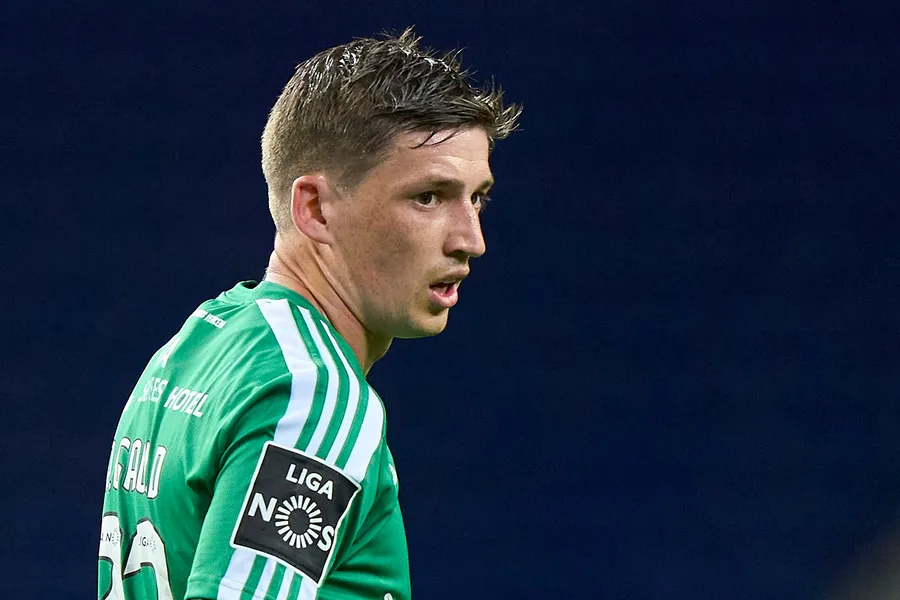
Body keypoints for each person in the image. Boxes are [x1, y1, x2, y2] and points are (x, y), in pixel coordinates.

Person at [97, 29, 520, 600]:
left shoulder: (195, 348)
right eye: (428, 197)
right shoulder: (313, 394)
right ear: (315, 209)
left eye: (477, 197)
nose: (471, 240)